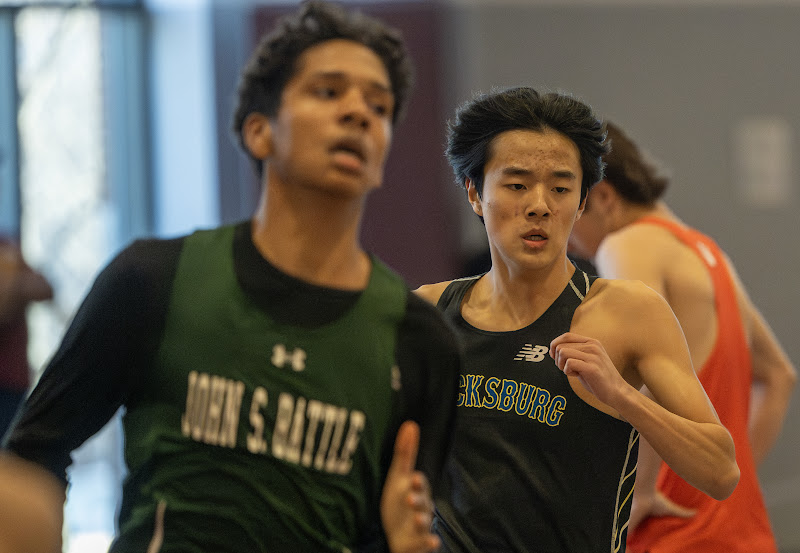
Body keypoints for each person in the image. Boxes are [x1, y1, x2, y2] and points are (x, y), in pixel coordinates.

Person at [0, 2, 462, 552]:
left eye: (379, 106)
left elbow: (391, 534)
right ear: (260, 132)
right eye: (329, 91)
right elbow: (30, 457)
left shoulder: (420, 341)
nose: (360, 114)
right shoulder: (153, 280)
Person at [414, 86, 740, 553]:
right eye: (517, 184)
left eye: (561, 188)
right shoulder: (428, 313)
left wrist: (623, 397)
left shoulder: (627, 312)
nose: (540, 205)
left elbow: (721, 472)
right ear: (474, 193)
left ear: (582, 202)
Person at [569, 121, 797, 553]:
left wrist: (642, 492)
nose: (571, 243)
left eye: (571, 206)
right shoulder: (710, 255)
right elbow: (781, 375)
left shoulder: (627, 244)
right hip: (742, 532)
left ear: (602, 197)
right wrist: (727, 482)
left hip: (676, 535)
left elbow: (645, 368)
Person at [0, 237, 53, 440]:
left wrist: (9, 289)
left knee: (12, 457)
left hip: (13, 383)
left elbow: (44, 289)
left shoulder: (8, 249)